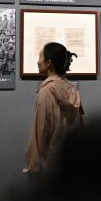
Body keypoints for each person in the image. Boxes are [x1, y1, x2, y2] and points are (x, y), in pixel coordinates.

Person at [23, 42, 84, 176]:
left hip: (51, 160)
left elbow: (40, 130)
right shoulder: (72, 89)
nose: (38, 62)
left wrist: (33, 163)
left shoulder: (46, 92)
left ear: (48, 62)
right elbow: (81, 121)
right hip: (72, 157)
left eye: (40, 57)